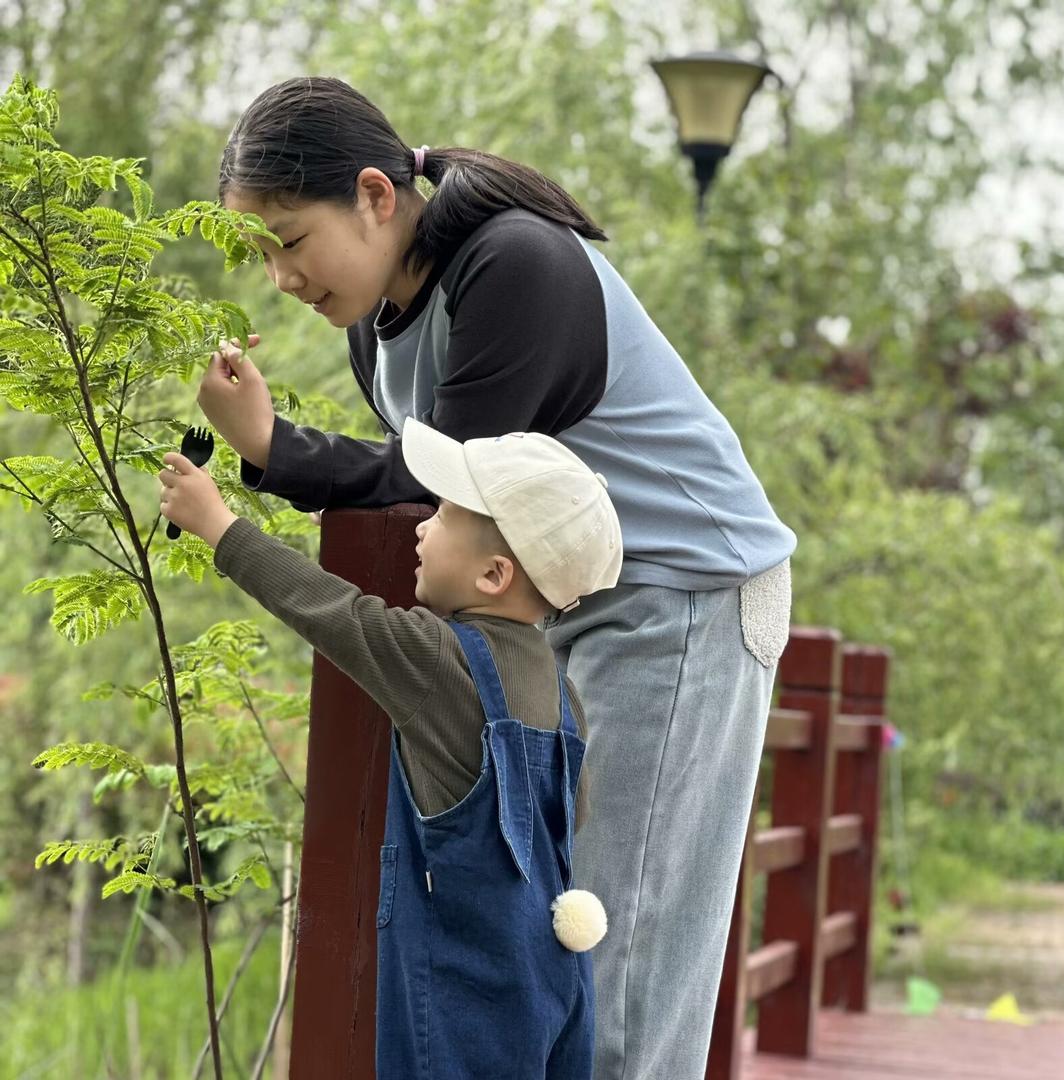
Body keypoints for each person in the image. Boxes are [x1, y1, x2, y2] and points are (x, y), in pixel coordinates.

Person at [200, 75, 796, 1080]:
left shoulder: (516, 265)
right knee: (549, 960)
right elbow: (444, 487)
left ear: (376, 196)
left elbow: (446, 468)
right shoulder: (376, 322)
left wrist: (271, 448)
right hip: (557, 615)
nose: (280, 278)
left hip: (681, 598)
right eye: (261, 254)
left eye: (291, 240)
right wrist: (274, 450)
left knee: (617, 971)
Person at [159, 417, 621, 1079]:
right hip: (556, 990)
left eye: (444, 515)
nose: (422, 526)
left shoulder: (434, 659)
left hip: (463, 1002)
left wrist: (218, 525)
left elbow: (331, 611)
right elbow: (566, 824)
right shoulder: (562, 693)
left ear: (493, 574)